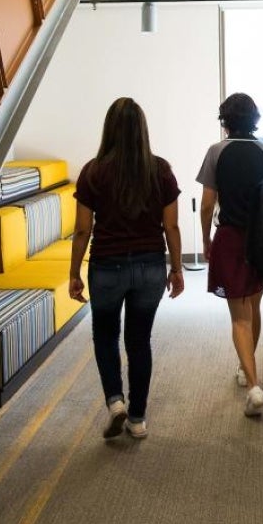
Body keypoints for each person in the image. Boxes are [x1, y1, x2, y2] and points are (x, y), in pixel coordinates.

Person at [69, 97, 184, 441]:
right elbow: (172, 228)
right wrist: (176, 268)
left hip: (106, 266)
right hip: (149, 266)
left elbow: (82, 230)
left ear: (109, 129)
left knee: (105, 336)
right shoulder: (160, 169)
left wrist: (74, 273)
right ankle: (137, 418)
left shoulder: (93, 171)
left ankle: (115, 401)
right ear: (143, 131)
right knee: (139, 340)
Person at [196, 93, 263, 418]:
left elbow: (207, 204)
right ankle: (245, 368)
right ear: (254, 119)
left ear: (225, 121)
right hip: (262, 240)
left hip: (231, 238)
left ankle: (253, 385)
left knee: (239, 316)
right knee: (255, 304)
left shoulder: (216, 152)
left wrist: (206, 239)